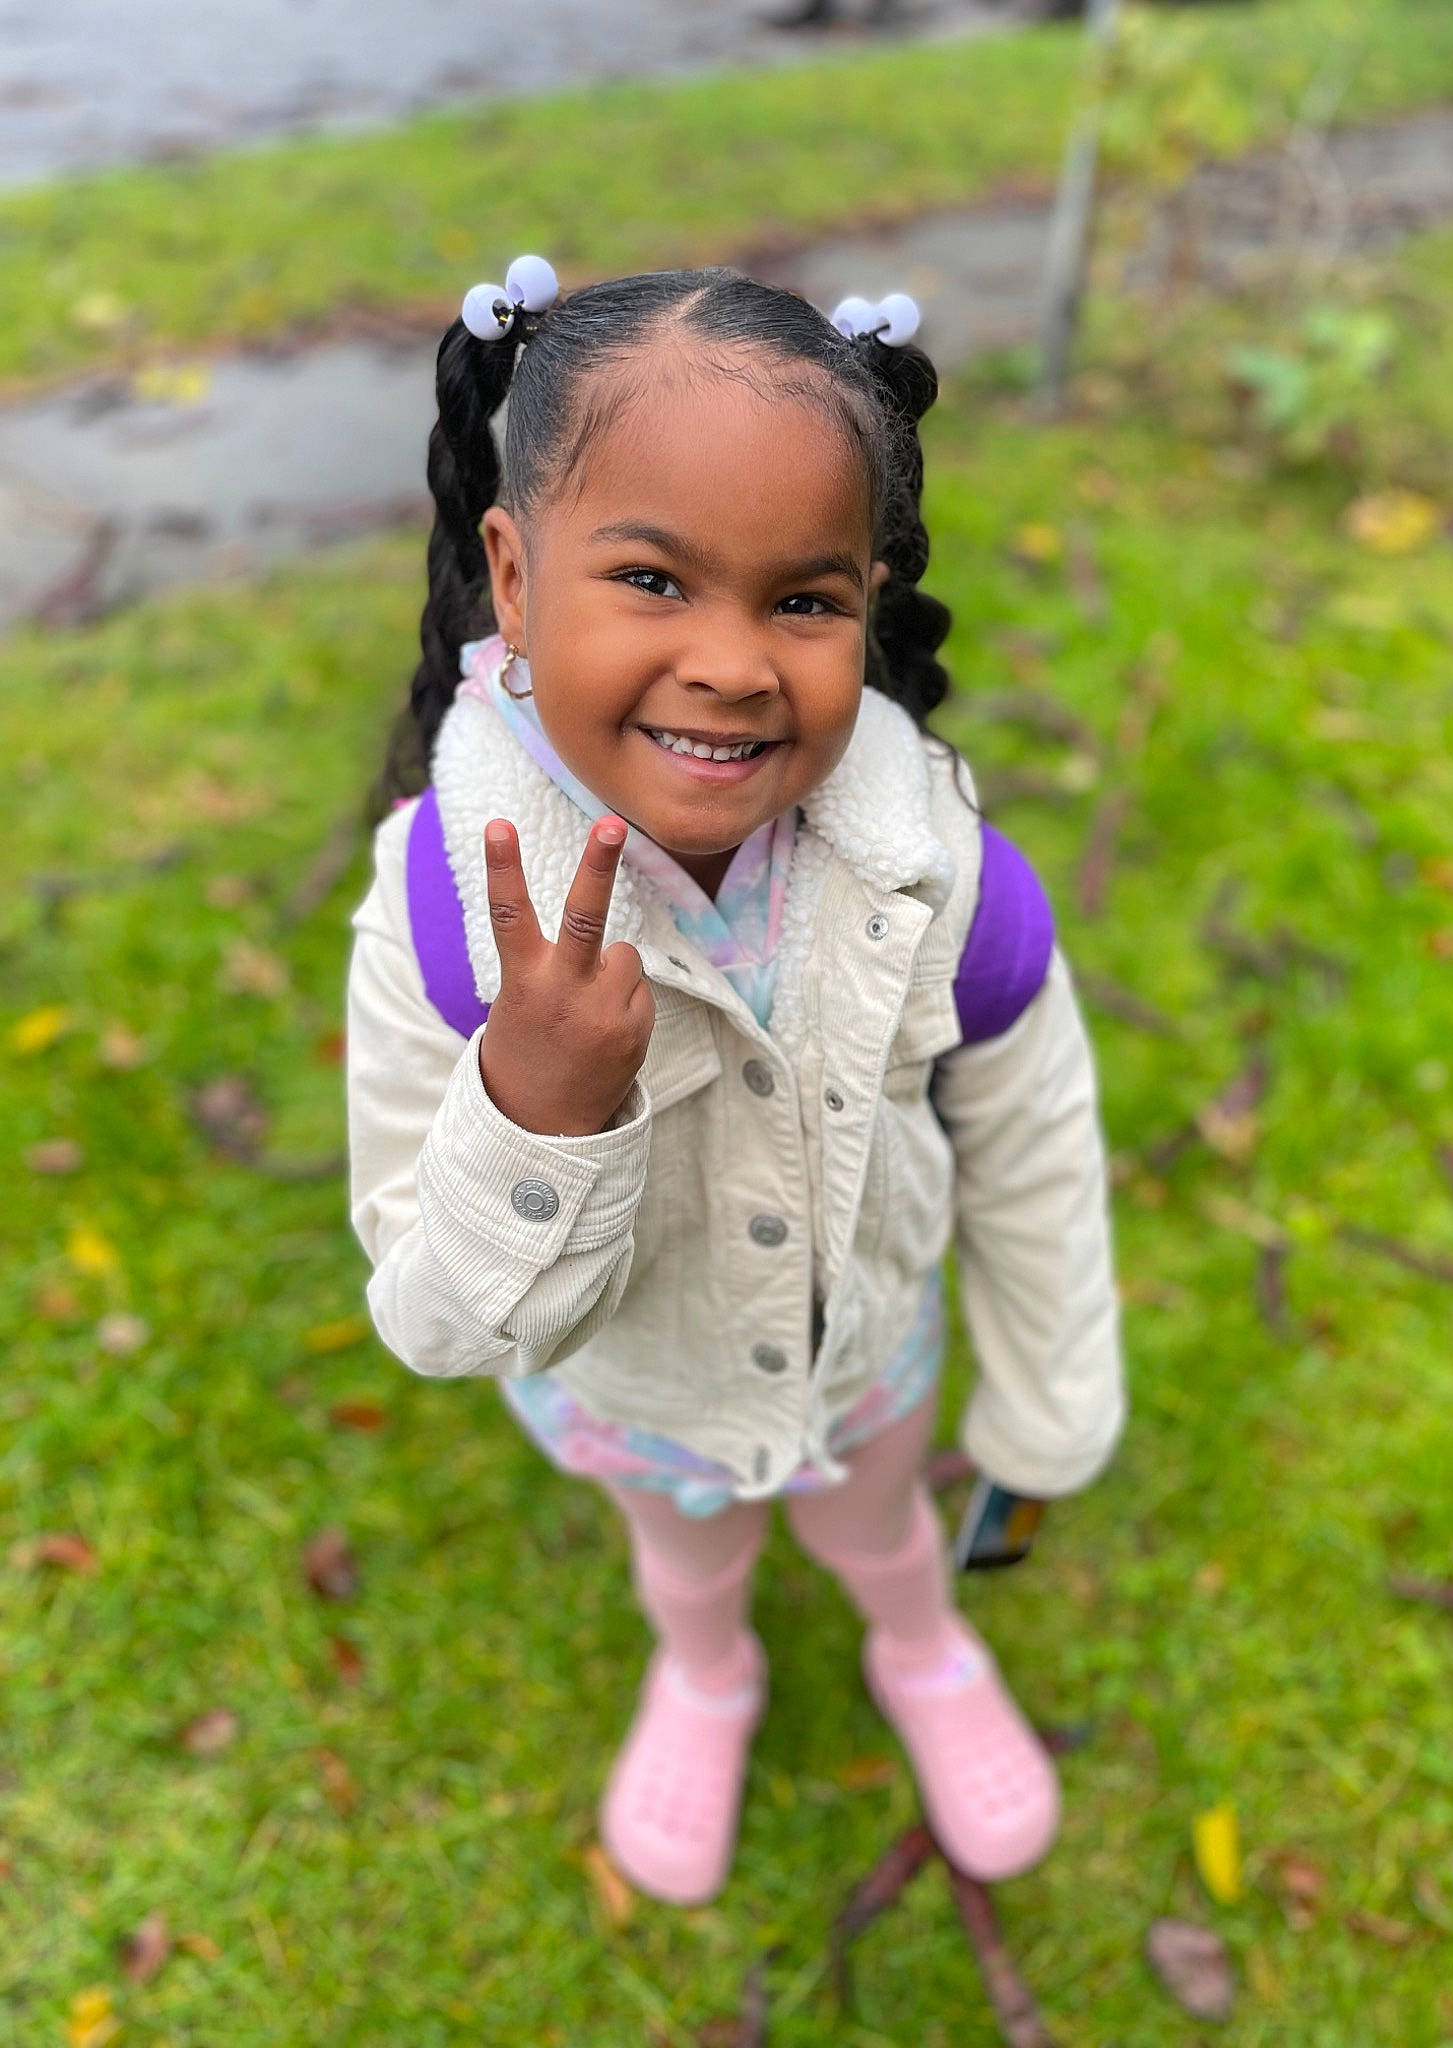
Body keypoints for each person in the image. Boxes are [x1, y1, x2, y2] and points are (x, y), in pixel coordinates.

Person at [348, 256, 1123, 1907]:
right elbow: (429, 1318)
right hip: (630, 1395)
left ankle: (919, 1644)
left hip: (868, 1350)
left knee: (881, 1530)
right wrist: (537, 1112)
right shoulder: (438, 914)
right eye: (650, 578)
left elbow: (1039, 1146)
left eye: (802, 599)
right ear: (510, 569)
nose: (733, 664)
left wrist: (1050, 1405)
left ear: (871, 596)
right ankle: (707, 1676)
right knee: (686, 1561)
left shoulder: (946, 883)